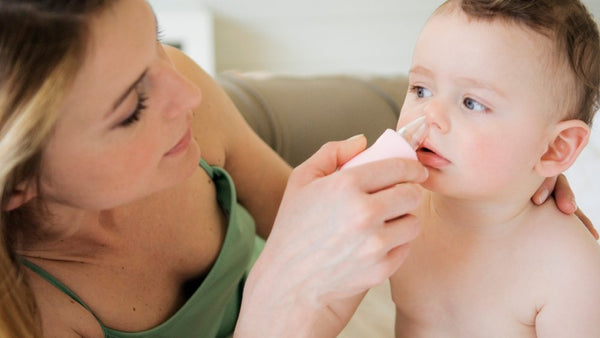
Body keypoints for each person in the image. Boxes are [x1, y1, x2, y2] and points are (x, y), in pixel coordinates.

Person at [0, 1, 590, 337]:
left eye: (156, 42)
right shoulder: (33, 316)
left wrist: (503, 188)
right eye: (132, 107)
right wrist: (276, 312)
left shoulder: (567, 268)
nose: (191, 93)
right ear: (18, 183)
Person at [389, 0, 600, 337]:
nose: (430, 115)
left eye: (472, 102)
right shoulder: (394, 211)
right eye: (421, 89)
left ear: (556, 147)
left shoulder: (570, 268)